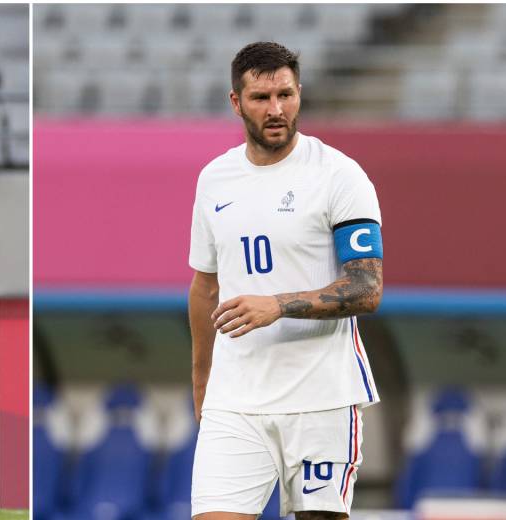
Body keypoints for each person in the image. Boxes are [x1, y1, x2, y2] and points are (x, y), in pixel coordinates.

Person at [188, 42, 384, 520]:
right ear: (236, 102)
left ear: (300, 93)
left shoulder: (340, 176)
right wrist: (201, 377)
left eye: (286, 95)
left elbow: (367, 288)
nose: (276, 110)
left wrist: (277, 304)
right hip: (235, 399)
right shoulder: (214, 178)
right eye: (261, 98)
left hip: (322, 397)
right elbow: (204, 286)